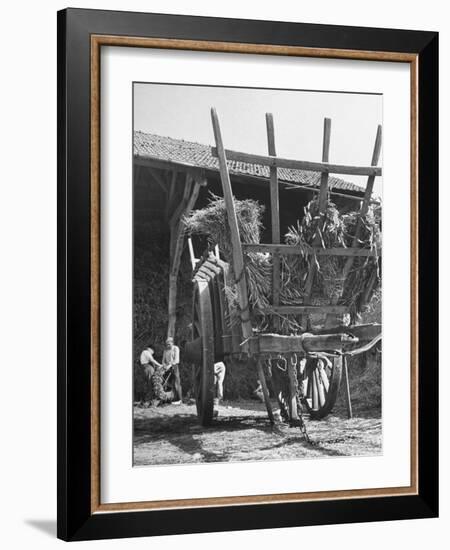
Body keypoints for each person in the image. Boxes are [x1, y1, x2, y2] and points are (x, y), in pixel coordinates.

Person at [162, 337, 182, 404]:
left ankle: (179, 400)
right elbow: (163, 360)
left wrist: (170, 365)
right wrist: (164, 365)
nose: (168, 345)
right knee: (168, 384)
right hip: (167, 368)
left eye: (169, 344)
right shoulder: (165, 350)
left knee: (176, 383)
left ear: (172, 343)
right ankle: (169, 399)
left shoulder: (176, 348)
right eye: (167, 344)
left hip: (174, 367)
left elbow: (177, 360)